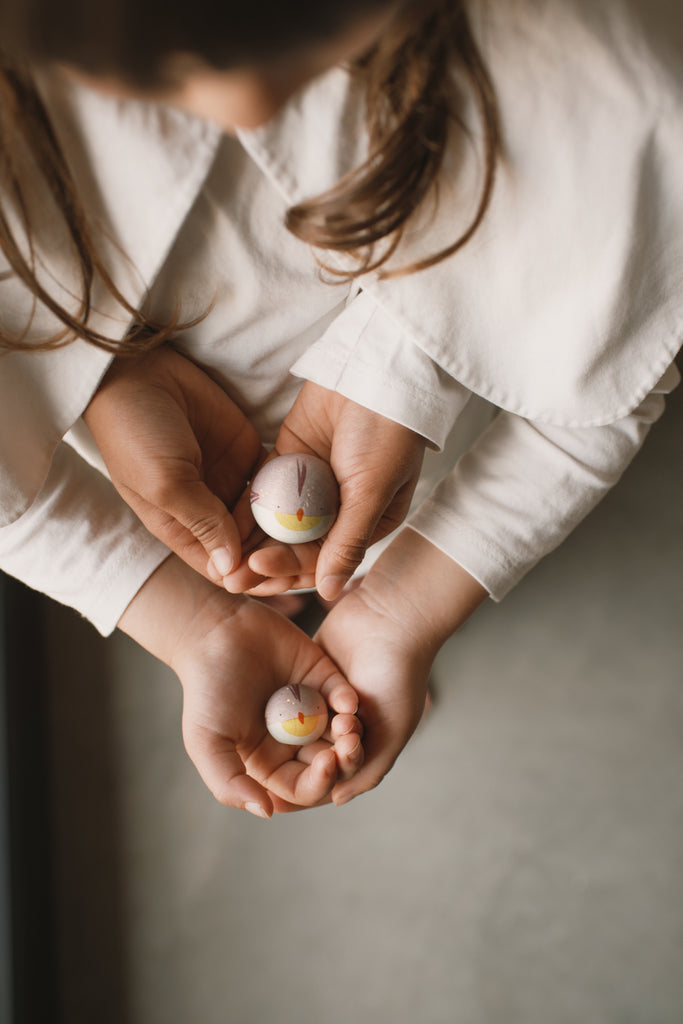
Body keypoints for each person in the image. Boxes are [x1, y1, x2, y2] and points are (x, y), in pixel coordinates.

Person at [0, 0, 681, 815]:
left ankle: (344, 590)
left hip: (423, 453)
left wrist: (411, 596)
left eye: (314, 56)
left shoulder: (582, 60)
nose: (249, 111)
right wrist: (103, 378)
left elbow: (616, 358)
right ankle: (295, 601)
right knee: (254, 561)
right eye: (162, 86)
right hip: (168, 476)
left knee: (361, 536)